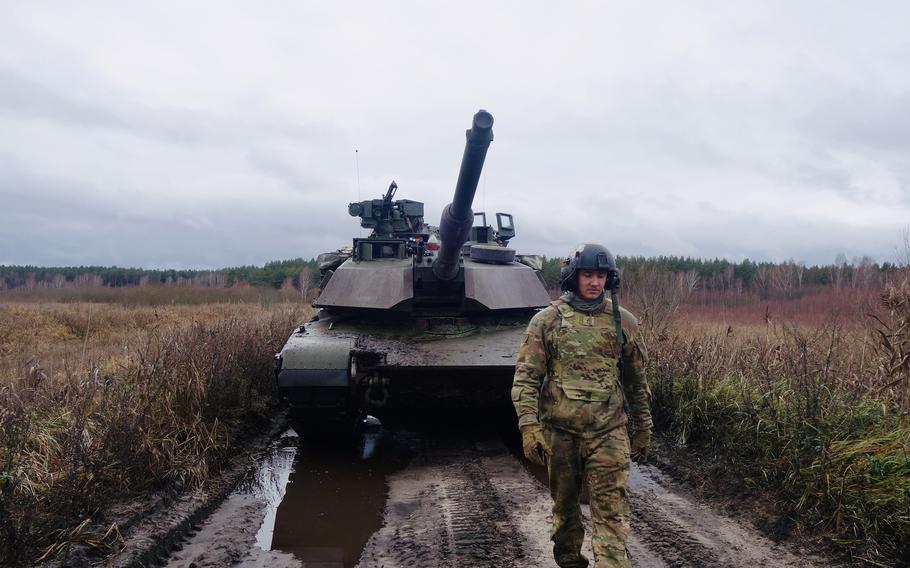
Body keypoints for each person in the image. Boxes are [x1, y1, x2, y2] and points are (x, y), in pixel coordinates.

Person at [511, 243, 653, 568]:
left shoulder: (623, 322)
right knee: (565, 512)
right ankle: (569, 561)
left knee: (611, 513)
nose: (594, 282)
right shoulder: (546, 321)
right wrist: (529, 427)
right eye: (588, 274)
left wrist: (644, 427)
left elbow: (636, 381)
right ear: (573, 277)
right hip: (561, 434)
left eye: (601, 275)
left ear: (609, 279)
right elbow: (526, 378)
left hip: (609, 433)